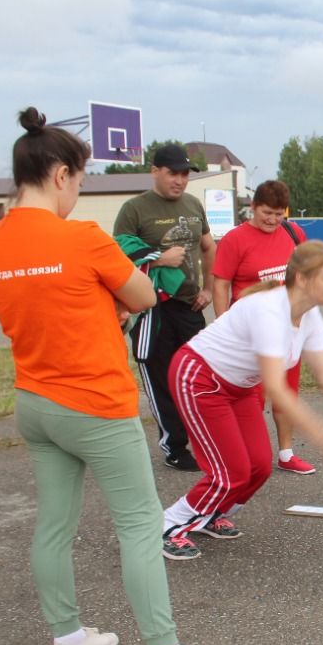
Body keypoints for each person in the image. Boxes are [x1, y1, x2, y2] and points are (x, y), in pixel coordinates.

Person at [0, 107, 239, 645]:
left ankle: (67, 638)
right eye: (80, 178)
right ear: (61, 174)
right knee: (142, 527)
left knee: (54, 524)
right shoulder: (82, 236)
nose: (78, 191)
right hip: (95, 400)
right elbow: (144, 293)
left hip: (35, 400)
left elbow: (48, 304)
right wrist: (110, 298)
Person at [161, 240, 323, 560]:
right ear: (302, 278)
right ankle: (166, 527)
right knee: (230, 472)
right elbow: (276, 388)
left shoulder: (310, 316)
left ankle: (210, 514)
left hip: (239, 387)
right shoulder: (269, 310)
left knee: (259, 467)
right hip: (199, 378)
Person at [113, 144, 216, 472]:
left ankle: (205, 441)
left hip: (189, 305)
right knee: (161, 379)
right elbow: (118, 257)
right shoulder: (134, 209)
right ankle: (174, 446)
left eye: (185, 174)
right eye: (173, 173)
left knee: (196, 377)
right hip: (150, 309)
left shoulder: (193, 204)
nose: (180, 180)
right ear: (154, 170)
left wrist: (209, 288)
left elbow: (208, 246)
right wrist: (158, 257)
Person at [210, 180, 315, 475]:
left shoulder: (294, 234)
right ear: (253, 207)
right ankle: (242, 456)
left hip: (287, 332)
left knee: (287, 394)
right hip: (250, 336)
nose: (272, 220)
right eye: (267, 213)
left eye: (279, 214)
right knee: (250, 400)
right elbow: (221, 285)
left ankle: (286, 453)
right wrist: (222, 327)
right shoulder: (234, 239)